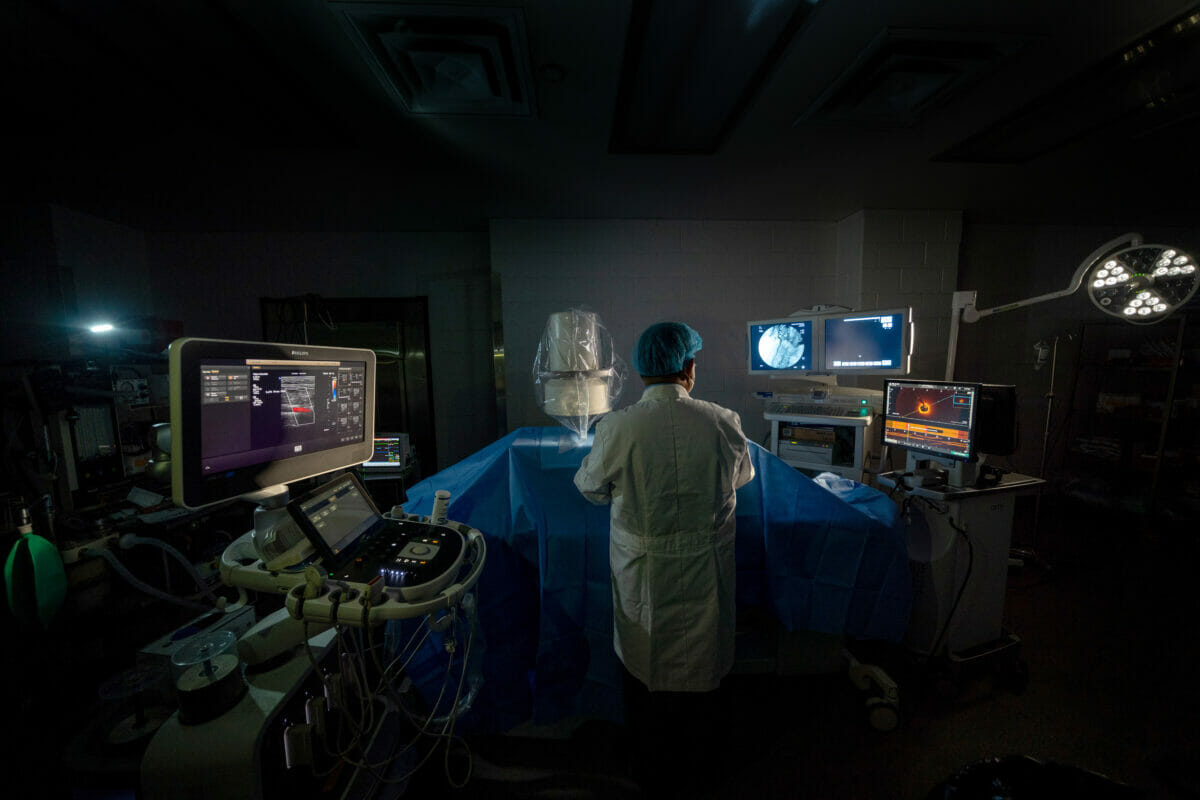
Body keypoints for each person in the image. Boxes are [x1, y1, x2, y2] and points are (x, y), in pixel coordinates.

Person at [573, 321, 755, 796]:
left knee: (646, 672)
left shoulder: (618, 427)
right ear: (689, 368)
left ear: (641, 371)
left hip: (644, 576)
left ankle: (650, 767)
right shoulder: (722, 421)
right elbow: (741, 478)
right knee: (703, 672)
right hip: (704, 574)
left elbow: (591, 489)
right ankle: (705, 768)